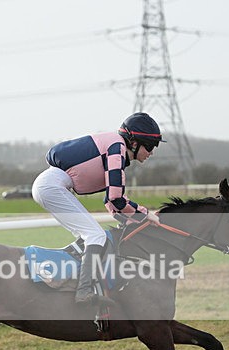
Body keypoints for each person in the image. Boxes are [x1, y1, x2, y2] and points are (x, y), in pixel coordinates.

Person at [32, 112, 163, 306]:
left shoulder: (117, 151)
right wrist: (145, 215)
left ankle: (66, 276)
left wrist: (131, 222)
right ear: (134, 143)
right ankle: (83, 290)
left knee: (91, 235)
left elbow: (111, 203)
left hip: (51, 185)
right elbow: (116, 199)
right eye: (150, 147)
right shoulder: (116, 148)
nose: (151, 153)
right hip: (51, 186)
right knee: (95, 236)